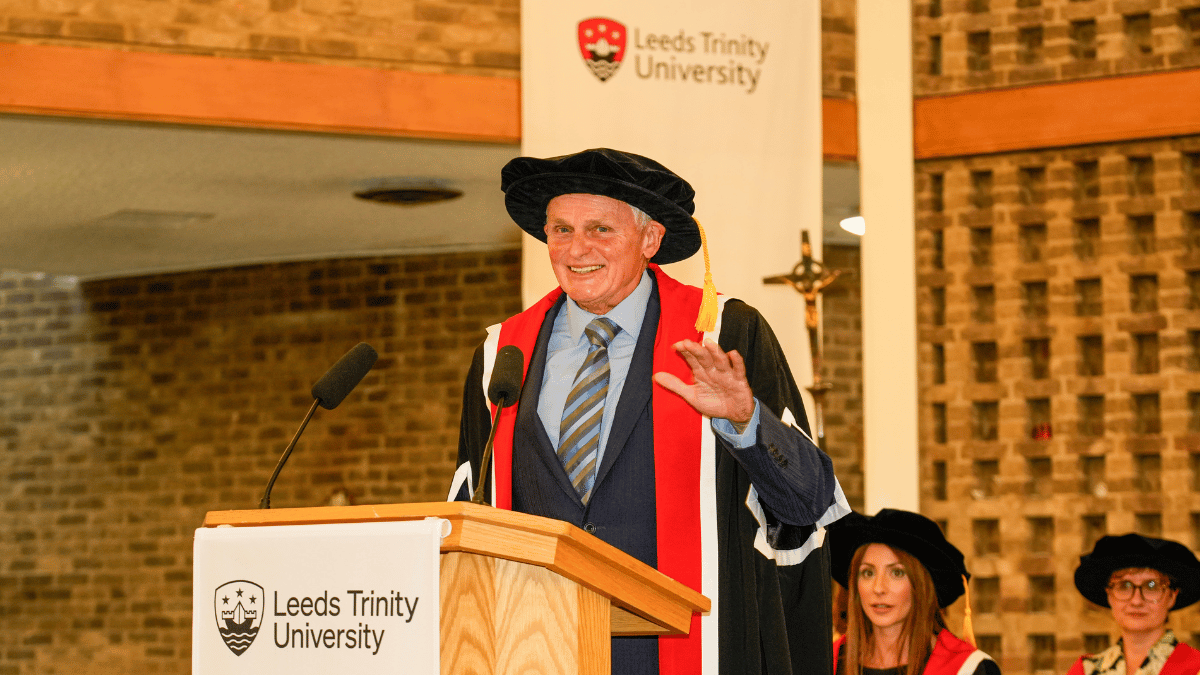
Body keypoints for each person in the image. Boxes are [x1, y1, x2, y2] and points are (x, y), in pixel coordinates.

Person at [448, 148, 850, 675]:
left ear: (651, 240)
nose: (577, 249)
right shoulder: (503, 356)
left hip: (682, 648)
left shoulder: (724, 335)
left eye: (600, 230)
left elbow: (809, 502)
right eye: (561, 230)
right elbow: (467, 519)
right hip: (535, 646)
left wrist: (746, 421)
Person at [828, 509, 999, 675]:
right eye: (867, 573)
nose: (878, 588)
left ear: (922, 586)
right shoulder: (828, 664)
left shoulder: (967, 669)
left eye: (897, 573)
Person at [1068, 534, 1200, 675]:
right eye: (1124, 586)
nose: (1136, 601)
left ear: (1172, 597)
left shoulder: (1195, 668)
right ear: (1109, 595)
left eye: (1151, 586)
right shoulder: (1086, 671)